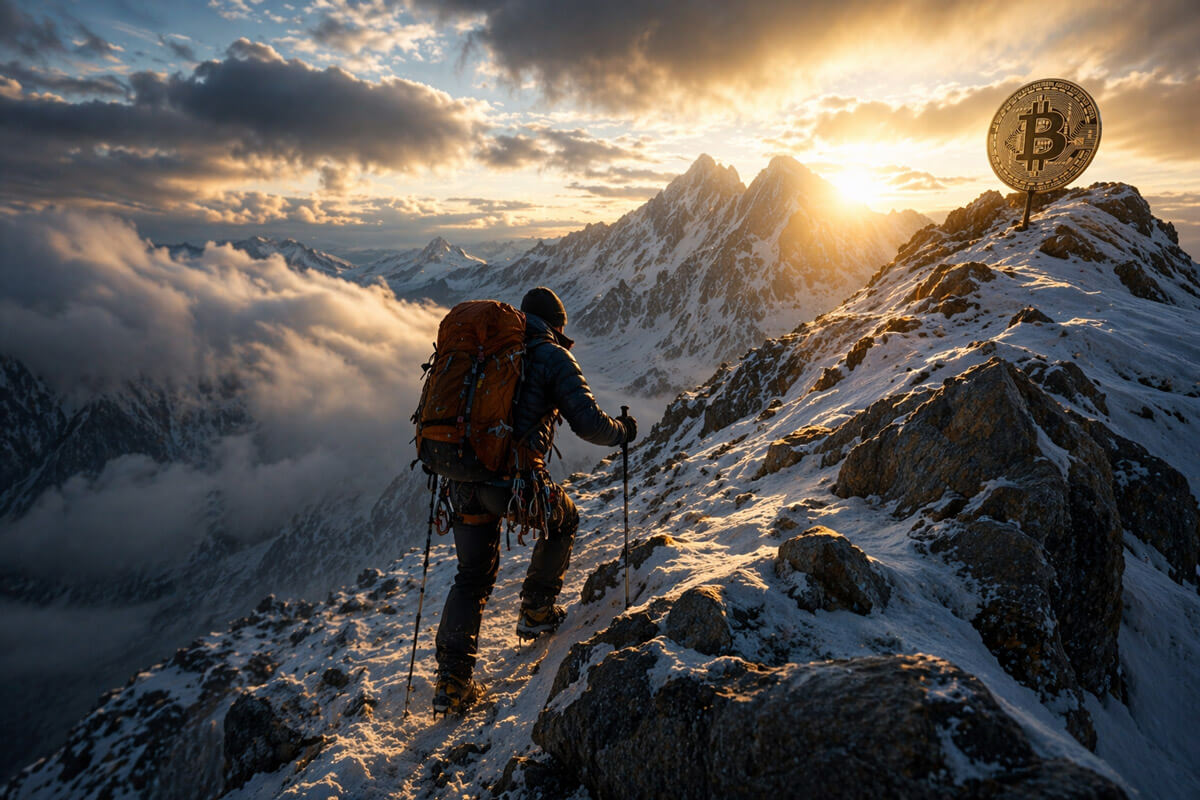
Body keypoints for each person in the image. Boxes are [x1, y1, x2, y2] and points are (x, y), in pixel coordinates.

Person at [432, 286, 637, 715]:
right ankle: (537, 609)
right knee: (563, 521)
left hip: (461, 480)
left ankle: (452, 684)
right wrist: (623, 431)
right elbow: (588, 423)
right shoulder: (550, 355)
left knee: (471, 576)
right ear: (558, 325)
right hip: (514, 484)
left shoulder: (486, 352)